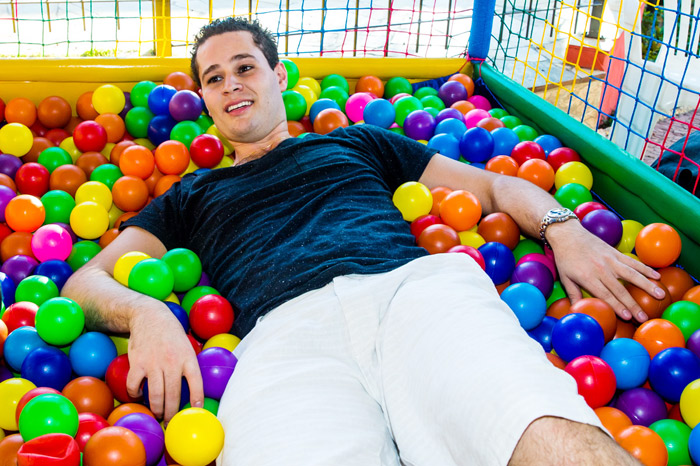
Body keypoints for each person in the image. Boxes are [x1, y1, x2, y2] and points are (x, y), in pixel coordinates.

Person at [62, 16, 665, 465]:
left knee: (537, 428)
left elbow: (493, 186)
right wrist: (147, 313)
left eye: (244, 66)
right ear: (205, 101)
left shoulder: (354, 142)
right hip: (283, 337)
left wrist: (565, 230)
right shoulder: (191, 195)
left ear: (278, 74)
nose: (231, 85)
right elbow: (87, 280)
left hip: (415, 297)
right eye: (214, 78)